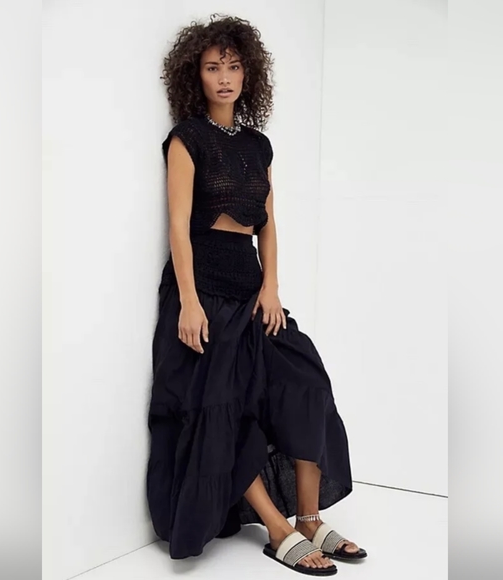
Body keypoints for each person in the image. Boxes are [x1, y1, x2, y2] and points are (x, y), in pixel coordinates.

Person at [146, 14, 367, 576]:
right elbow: (178, 228)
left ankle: (310, 519)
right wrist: (189, 301)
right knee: (225, 408)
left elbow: (267, 225)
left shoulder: (258, 145)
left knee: (306, 383)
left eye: (233, 66)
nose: (224, 78)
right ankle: (278, 530)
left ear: (249, 73)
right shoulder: (186, 139)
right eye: (212, 67)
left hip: (251, 287)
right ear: (195, 76)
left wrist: (271, 287)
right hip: (203, 289)